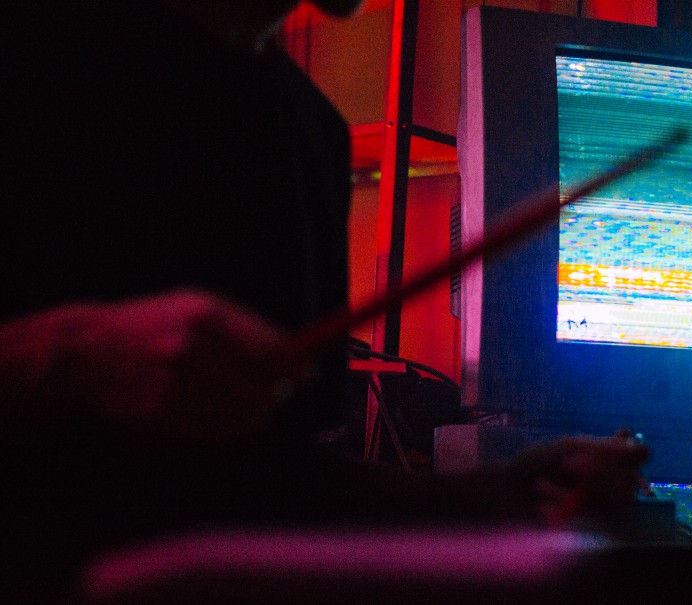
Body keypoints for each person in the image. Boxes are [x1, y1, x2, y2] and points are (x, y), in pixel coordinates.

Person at [2, 0, 650, 601]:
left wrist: (502, 492)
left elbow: (281, 483)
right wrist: (68, 352)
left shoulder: (308, 129)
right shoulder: (35, 46)